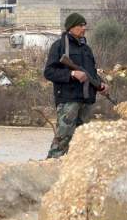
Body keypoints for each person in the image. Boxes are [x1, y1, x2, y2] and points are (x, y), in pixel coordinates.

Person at [43, 13, 109, 158]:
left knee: (82, 142)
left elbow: (90, 74)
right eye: (80, 25)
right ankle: (51, 166)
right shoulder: (59, 46)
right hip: (68, 100)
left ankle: (75, 169)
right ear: (71, 27)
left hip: (86, 100)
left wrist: (101, 85)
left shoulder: (86, 49)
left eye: (85, 25)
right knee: (63, 139)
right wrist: (72, 74)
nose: (84, 28)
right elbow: (49, 72)